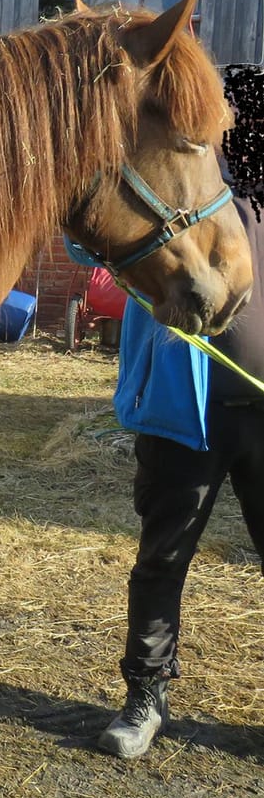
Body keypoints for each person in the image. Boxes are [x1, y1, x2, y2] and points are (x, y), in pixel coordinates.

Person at [97, 179, 264, 759]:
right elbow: (86, 240)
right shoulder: (172, 174)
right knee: (163, 560)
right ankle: (146, 696)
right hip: (183, 414)